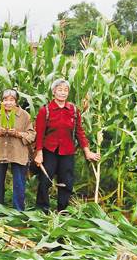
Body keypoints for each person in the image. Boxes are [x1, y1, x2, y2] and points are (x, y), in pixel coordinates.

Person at [34, 79, 100, 212]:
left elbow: (79, 132)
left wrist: (87, 151)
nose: (63, 93)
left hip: (67, 151)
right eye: (59, 89)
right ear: (53, 92)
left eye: (65, 90)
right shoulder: (45, 111)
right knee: (45, 181)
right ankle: (42, 210)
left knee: (66, 182)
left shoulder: (74, 111)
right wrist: (39, 153)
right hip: (49, 150)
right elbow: (39, 134)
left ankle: (62, 211)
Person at [0, 89, 36, 211]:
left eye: (11, 100)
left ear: (16, 102)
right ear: (2, 102)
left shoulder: (24, 115)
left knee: (19, 181)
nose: (8, 103)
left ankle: (18, 209)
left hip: (18, 152)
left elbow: (31, 135)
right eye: (5, 100)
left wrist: (18, 134)